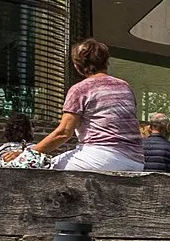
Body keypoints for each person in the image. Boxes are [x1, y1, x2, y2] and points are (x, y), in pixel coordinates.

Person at [32, 40, 145, 173]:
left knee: (46, 169)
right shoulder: (125, 86)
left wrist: (31, 152)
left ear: (76, 66)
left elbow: (63, 133)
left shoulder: (81, 88)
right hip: (136, 161)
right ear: (106, 62)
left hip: (101, 157)